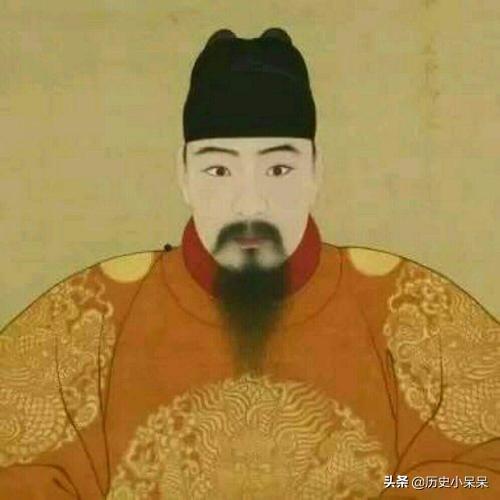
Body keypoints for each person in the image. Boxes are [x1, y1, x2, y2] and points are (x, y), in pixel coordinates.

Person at [0, 28, 498, 499]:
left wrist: (385, 486)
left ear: (315, 171)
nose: (250, 203)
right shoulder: (87, 320)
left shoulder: (412, 310)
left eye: (278, 168)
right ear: (183, 174)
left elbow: (479, 477)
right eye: (219, 169)